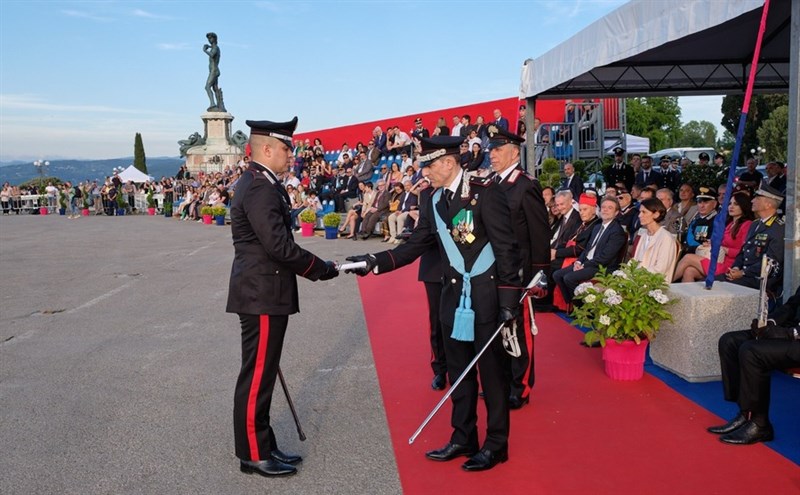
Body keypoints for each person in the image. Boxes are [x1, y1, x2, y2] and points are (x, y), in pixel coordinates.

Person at [346, 135, 521, 472]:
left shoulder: (485, 192)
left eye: (428, 165)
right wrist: (374, 261)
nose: (423, 172)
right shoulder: (433, 200)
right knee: (458, 372)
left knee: (492, 375)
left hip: (485, 298)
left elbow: (507, 247)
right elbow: (415, 245)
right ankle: (463, 436)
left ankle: (497, 444)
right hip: (452, 298)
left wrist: (508, 300)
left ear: (447, 163)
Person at [226, 117, 338, 478]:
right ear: (268, 150)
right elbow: (278, 246)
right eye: (287, 148)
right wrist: (320, 268)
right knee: (257, 376)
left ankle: (264, 444)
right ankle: (253, 454)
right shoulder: (260, 187)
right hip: (261, 293)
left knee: (264, 374)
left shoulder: (262, 183)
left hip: (264, 292)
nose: (292, 154)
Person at [487, 124, 550, 410]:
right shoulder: (490, 184)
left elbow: (539, 233)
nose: (492, 155)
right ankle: (499, 382)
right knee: (496, 329)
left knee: (518, 330)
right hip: (493, 269)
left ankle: (520, 386)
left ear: (514, 153)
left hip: (520, 271)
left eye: (498, 150)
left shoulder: (526, 185)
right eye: (491, 150)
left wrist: (540, 273)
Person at [707, 287, 800, 444]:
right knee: (730, 341)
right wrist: (769, 322)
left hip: (796, 337)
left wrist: (791, 333)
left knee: (752, 351)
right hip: (791, 331)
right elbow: (792, 305)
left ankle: (760, 424)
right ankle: (746, 413)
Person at [553, 196, 627, 306]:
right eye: (603, 207)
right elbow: (587, 248)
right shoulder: (597, 227)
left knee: (569, 278)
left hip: (602, 267)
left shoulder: (617, 231)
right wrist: (579, 262)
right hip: (588, 262)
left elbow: (605, 257)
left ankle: (584, 309)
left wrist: (584, 264)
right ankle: (572, 305)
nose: (605, 210)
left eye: (610, 208)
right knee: (557, 275)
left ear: (616, 213)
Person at [673, 192, 754, 282]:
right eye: (730, 203)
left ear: (744, 206)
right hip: (718, 260)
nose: (731, 206)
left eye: (736, 204)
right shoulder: (729, 224)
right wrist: (711, 243)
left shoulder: (747, 225)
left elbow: (744, 252)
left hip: (730, 266)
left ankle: (662, 284)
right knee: (689, 271)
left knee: (688, 257)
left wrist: (724, 249)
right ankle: (686, 296)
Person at [716, 185, 785, 291]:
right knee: (708, 282)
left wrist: (743, 272)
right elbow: (743, 251)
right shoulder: (755, 224)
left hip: (760, 279)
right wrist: (736, 267)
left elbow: (771, 262)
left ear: (768, 204)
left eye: (757, 198)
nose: (752, 200)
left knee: (715, 285)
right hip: (745, 274)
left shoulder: (778, 228)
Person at [631, 198, 677, 280]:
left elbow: (660, 269)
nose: (639, 215)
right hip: (637, 280)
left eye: (644, 212)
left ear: (656, 214)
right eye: (640, 212)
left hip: (654, 284)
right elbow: (634, 261)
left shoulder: (666, 238)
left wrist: (636, 277)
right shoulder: (644, 235)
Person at [681, 186, 717, 254]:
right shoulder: (696, 219)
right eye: (700, 202)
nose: (702, 206)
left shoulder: (716, 221)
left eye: (706, 202)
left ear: (714, 204)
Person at [203, 32, 225, 111]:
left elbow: (212, 55)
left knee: (207, 87)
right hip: (213, 70)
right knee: (215, 88)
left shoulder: (215, 47)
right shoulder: (214, 47)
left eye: (211, 38)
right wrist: (209, 47)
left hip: (214, 70)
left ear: (214, 39)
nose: (209, 40)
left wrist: (205, 50)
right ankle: (220, 105)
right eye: (208, 38)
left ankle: (212, 104)